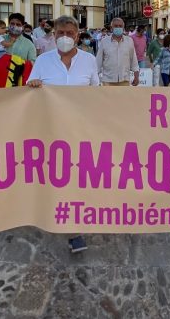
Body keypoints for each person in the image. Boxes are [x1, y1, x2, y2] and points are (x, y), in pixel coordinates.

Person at [26, 16, 98, 253]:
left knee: (78, 178)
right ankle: (56, 214)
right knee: (57, 176)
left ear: (78, 35)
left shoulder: (89, 60)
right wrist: (33, 86)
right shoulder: (43, 60)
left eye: (70, 33)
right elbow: (28, 90)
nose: (65, 37)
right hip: (51, 131)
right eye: (60, 33)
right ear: (53, 35)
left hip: (81, 130)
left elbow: (97, 94)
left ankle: (75, 227)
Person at [96, 17, 139, 86]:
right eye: (116, 26)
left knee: (123, 97)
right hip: (108, 81)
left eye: (120, 26)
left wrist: (136, 77)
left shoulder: (129, 41)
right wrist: (96, 78)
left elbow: (133, 59)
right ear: (111, 28)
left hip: (124, 80)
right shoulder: (104, 42)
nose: (118, 28)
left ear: (123, 28)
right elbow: (98, 61)